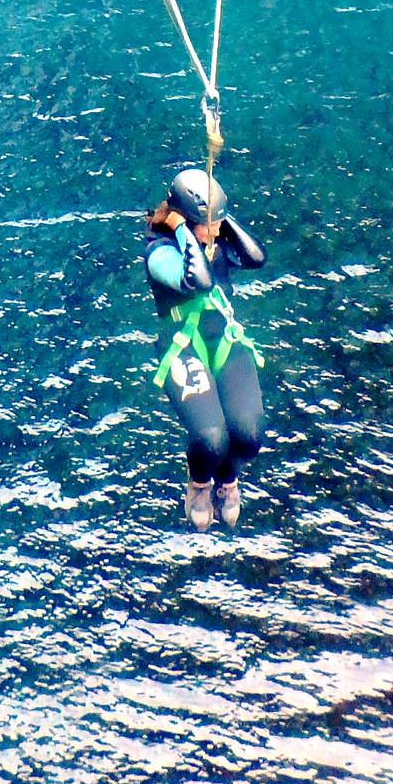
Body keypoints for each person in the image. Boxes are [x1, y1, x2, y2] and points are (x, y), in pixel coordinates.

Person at [144, 166, 267, 531]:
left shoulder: (216, 240)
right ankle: (199, 483)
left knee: (248, 436)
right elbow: (197, 282)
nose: (215, 231)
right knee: (211, 438)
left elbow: (256, 257)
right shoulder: (160, 253)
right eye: (208, 223)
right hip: (184, 345)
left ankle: (228, 477)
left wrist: (222, 222)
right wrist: (182, 228)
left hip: (224, 340)